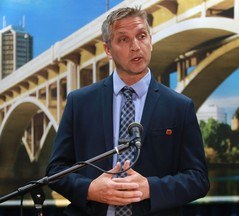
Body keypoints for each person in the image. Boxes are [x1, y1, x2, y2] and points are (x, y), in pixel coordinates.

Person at [46, 6, 209, 216]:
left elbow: (199, 179)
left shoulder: (180, 107)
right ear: (107, 50)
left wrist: (150, 188)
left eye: (141, 36)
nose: (135, 46)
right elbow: (56, 170)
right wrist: (90, 190)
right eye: (123, 39)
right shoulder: (79, 102)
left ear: (150, 39)